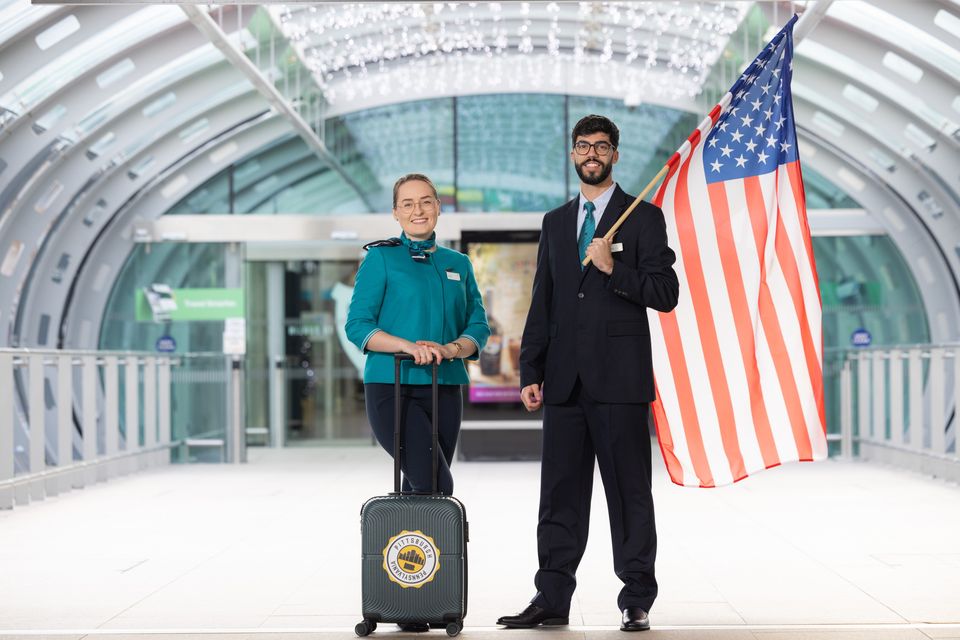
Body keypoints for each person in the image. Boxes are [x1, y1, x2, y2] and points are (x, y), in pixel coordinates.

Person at [497, 115, 679, 632]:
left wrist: (612, 270)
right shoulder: (556, 222)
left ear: (615, 155)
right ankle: (551, 597)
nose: (592, 153)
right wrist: (531, 366)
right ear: (572, 153)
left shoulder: (643, 217)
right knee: (558, 496)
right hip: (562, 383)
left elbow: (666, 294)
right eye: (583, 146)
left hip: (619, 382)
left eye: (601, 146)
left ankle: (636, 597)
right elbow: (544, 300)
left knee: (629, 495)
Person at [346, 172, 489, 497]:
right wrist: (407, 347)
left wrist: (452, 349)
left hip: (445, 386)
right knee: (436, 483)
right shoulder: (381, 258)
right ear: (396, 212)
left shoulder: (459, 263)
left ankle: (412, 548)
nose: (418, 210)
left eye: (426, 201)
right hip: (392, 386)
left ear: (438, 207)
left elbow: (477, 326)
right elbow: (358, 325)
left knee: (420, 485)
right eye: (407, 204)